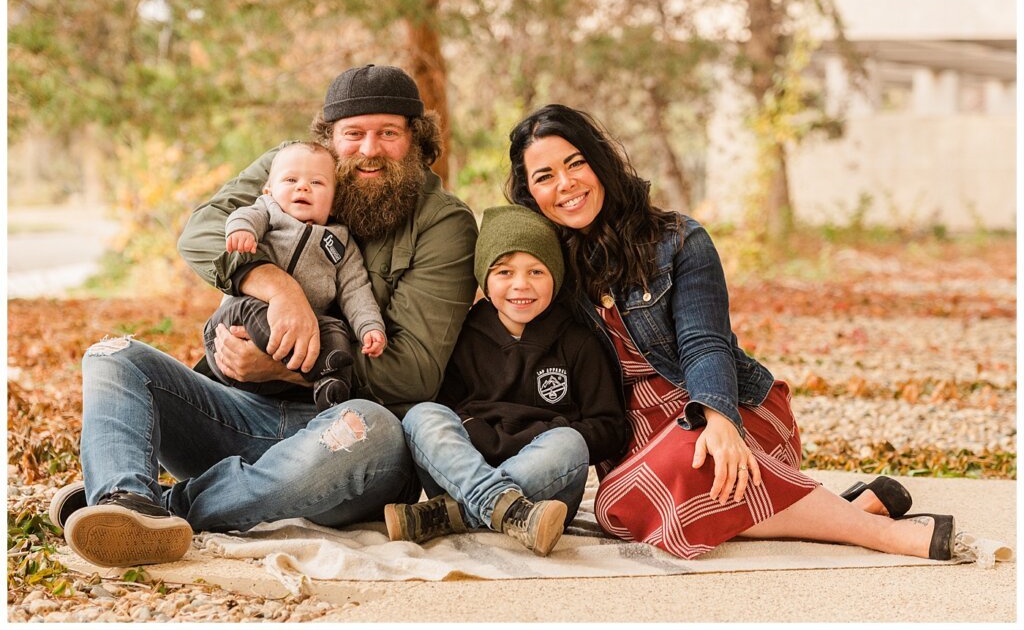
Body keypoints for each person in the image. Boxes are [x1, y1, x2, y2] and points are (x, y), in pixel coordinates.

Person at [55, 65, 478, 569]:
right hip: (236, 409)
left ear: (415, 140)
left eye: (388, 133)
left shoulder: (445, 224)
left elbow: (415, 371)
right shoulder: (296, 166)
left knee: (375, 430)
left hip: (340, 437)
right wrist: (280, 290)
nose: (368, 150)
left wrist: (284, 366)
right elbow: (201, 234)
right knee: (114, 356)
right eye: (353, 134)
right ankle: (123, 499)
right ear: (329, 139)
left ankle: (161, 511)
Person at [503, 103, 956, 561]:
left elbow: (706, 342)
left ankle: (880, 534)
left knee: (676, 467)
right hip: (637, 437)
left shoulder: (678, 240)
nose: (566, 184)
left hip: (728, 408)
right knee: (617, 506)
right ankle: (848, 508)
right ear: (531, 195)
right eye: (544, 176)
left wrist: (718, 420)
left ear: (599, 163)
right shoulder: (548, 271)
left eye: (575, 163)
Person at [383, 206, 628, 556]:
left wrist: (549, 430)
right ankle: (504, 509)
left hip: (545, 484)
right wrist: (474, 431)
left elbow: (609, 427)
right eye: (504, 272)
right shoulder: (464, 334)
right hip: (463, 471)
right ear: (484, 278)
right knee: (422, 415)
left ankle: (450, 515)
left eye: (536, 271)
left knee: (569, 443)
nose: (520, 285)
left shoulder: (578, 342)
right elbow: (446, 409)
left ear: (555, 275)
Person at [203, 140, 386, 413]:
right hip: (232, 333)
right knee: (250, 307)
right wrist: (241, 231)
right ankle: (305, 359)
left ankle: (331, 386)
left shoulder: (341, 242)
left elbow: (355, 289)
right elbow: (245, 215)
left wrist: (370, 326)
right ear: (269, 190)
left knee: (335, 330)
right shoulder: (268, 211)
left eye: (317, 182)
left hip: (298, 341)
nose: (303, 187)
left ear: (334, 202)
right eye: (290, 179)